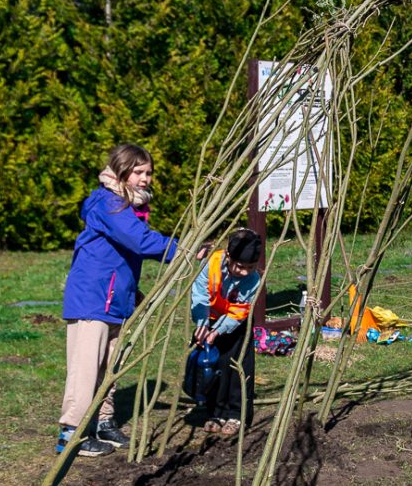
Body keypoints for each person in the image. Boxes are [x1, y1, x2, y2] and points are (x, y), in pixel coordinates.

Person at [58, 144, 178, 458]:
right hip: (93, 298)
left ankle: (103, 422)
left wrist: (131, 292)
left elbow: (122, 256)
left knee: (111, 366)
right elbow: (138, 241)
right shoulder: (108, 203)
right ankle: (71, 432)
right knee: (86, 368)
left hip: (116, 299)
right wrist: (184, 250)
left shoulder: (128, 206)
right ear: (121, 170)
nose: (145, 179)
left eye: (148, 172)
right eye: (138, 172)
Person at [190, 228, 262, 437]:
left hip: (236, 324)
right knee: (213, 367)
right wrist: (203, 325)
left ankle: (236, 414)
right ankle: (215, 412)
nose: (245, 272)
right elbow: (200, 295)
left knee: (236, 367)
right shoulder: (210, 264)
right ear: (228, 256)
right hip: (208, 319)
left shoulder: (253, 279)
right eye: (240, 266)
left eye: (250, 267)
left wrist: (218, 331)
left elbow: (239, 311)